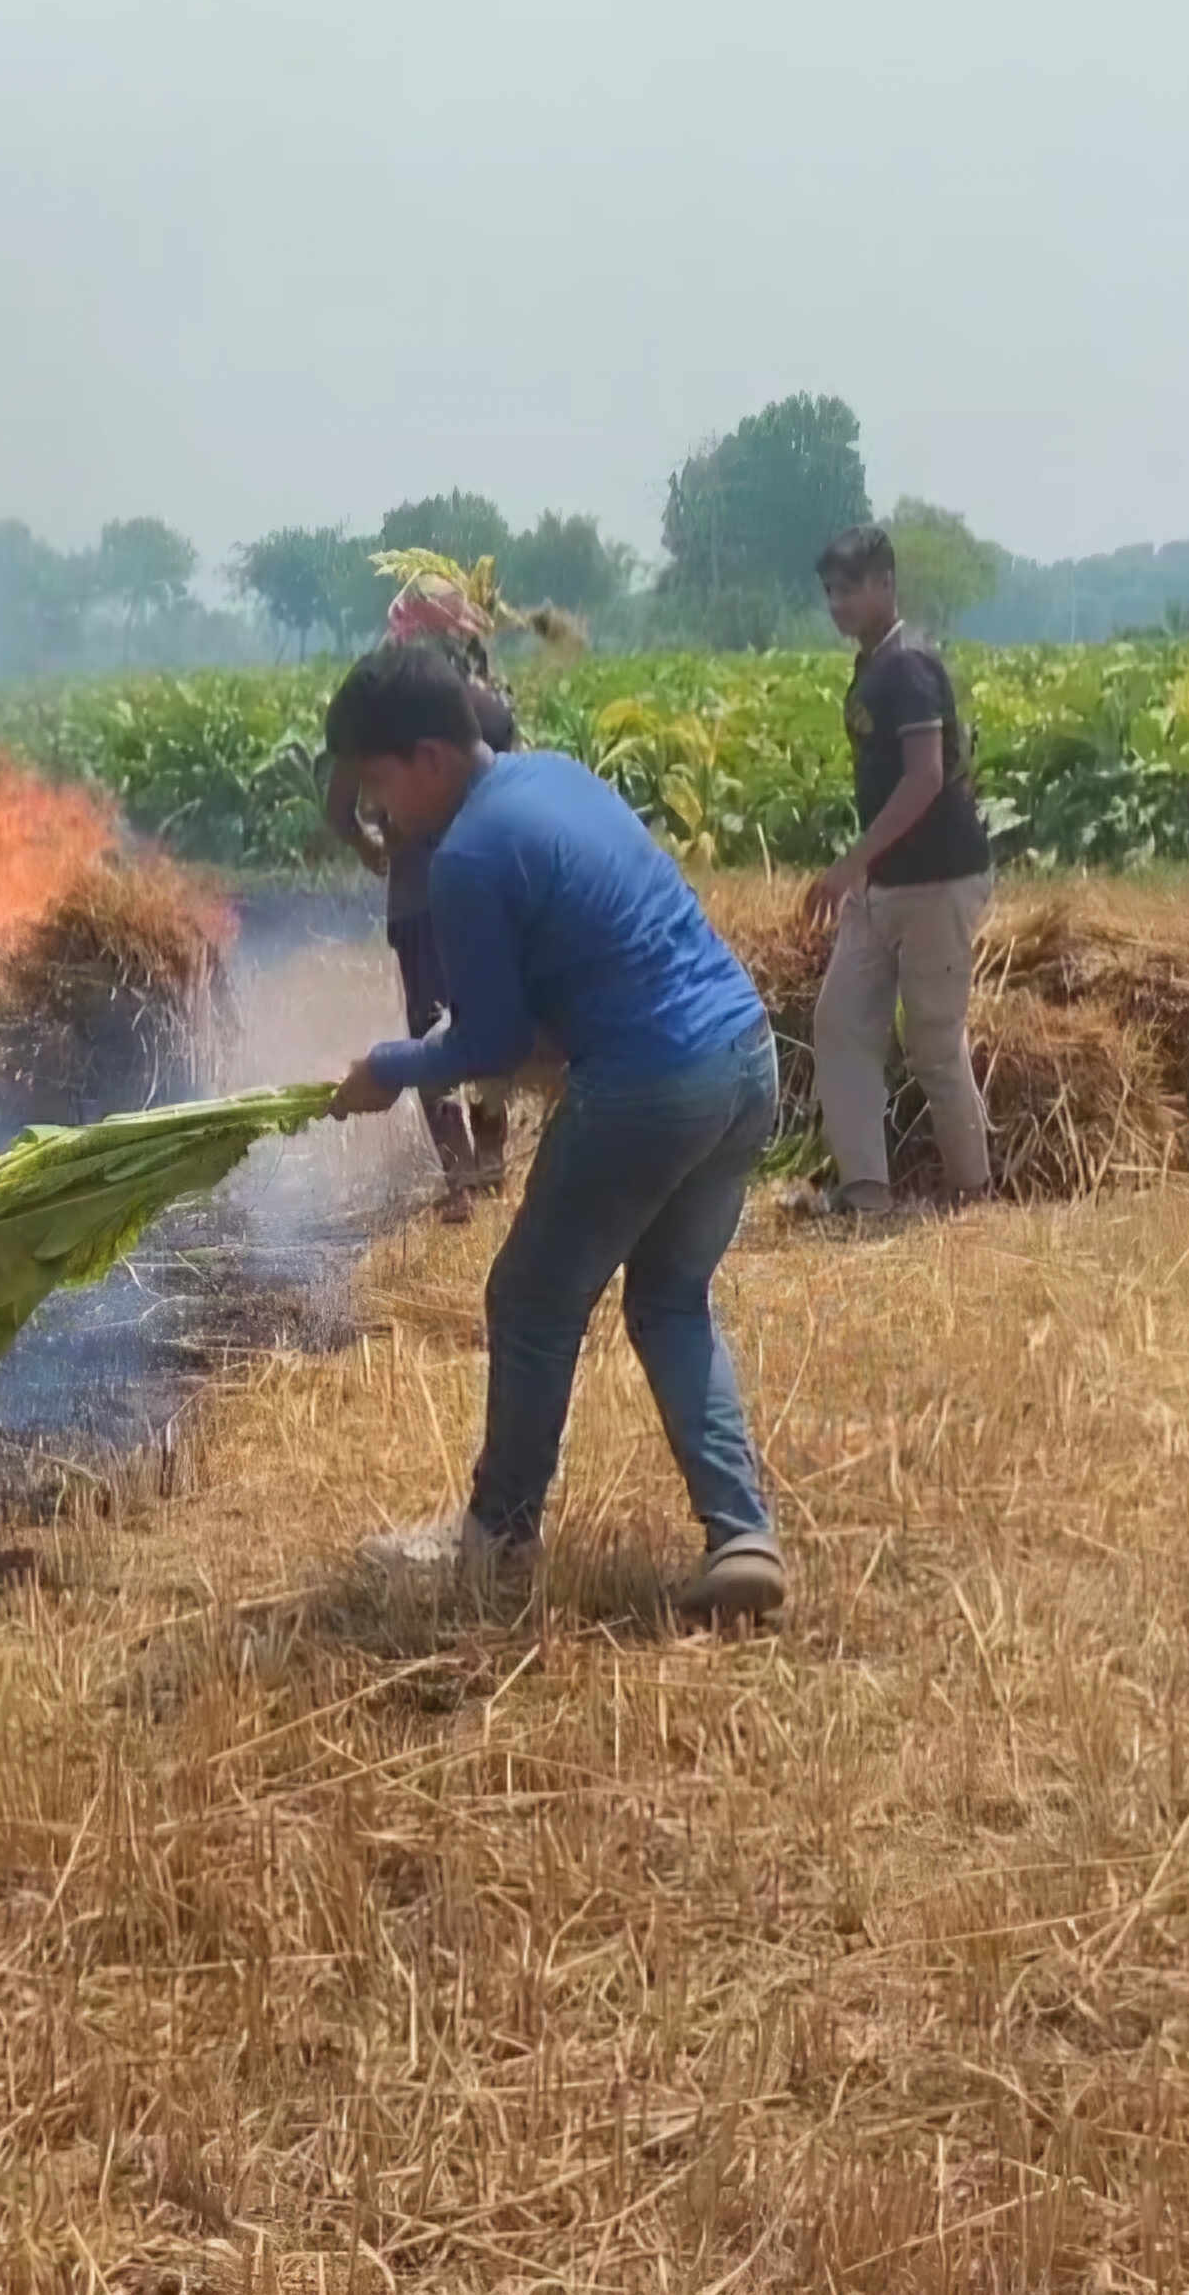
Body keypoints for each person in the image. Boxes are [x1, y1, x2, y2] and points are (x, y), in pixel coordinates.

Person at [326, 637, 790, 1622]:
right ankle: (742, 1531)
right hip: (745, 1053)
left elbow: (489, 1039)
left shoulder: (468, 858)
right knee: (668, 1300)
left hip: (653, 1084)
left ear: (430, 759)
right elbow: (558, 992)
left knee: (532, 1297)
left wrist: (387, 1067)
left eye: (378, 784)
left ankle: (497, 1541)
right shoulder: (554, 775)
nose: (378, 813)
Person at [801, 524, 999, 1215]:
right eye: (830, 591)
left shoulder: (909, 668)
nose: (838, 603)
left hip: (937, 879)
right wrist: (864, 871)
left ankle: (972, 1195)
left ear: (887, 583)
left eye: (850, 588)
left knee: (933, 1046)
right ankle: (866, 1192)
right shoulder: (873, 665)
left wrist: (850, 862)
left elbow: (924, 780)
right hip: (884, 882)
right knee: (841, 1021)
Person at [326, 574, 524, 1219]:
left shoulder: (383, 708)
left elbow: (339, 808)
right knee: (493, 1010)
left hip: (418, 895)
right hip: (491, 887)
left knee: (428, 1022)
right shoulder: (485, 700)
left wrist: (366, 843)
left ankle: (460, 1181)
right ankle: (492, 1162)